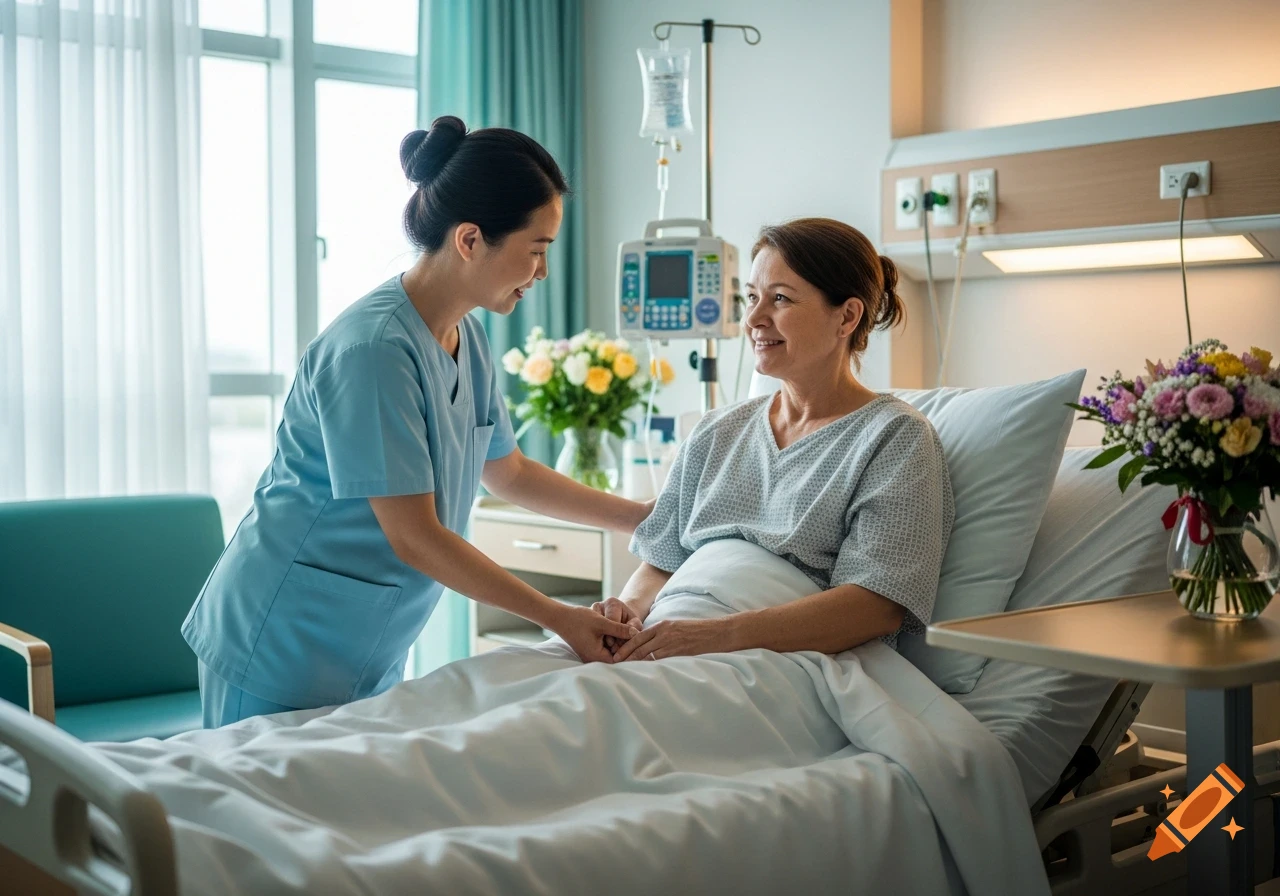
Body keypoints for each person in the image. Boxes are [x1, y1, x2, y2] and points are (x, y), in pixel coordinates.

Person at [183, 116, 645, 727]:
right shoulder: (372, 350)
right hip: (280, 637)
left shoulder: (467, 338)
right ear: (471, 239)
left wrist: (645, 518)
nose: (542, 273)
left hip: (365, 640)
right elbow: (415, 535)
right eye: (536, 252)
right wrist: (562, 619)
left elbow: (508, 473)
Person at [600, 218, 954, 662]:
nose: (753, 319)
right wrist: (627, 611)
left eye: (780, 299)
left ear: (847, 316)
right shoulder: (715, 432)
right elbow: (660, 559)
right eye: (751, 297)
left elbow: (875, 607)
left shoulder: (893, 438)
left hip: (787, 660)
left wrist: (711, 636)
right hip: (671, 635)